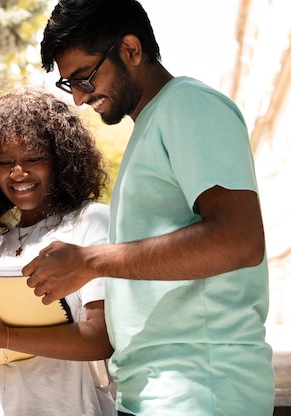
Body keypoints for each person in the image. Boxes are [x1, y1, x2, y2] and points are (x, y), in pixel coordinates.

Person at [28, 0, 275, 415]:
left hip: (200, 389)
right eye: (69, 84)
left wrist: (91, 261)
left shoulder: (190, 106)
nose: (78, 98)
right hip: (156, 390)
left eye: (84, 77)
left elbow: (239, 240)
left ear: (131, 49)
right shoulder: (153, 124)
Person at [0, 88, 116, 416]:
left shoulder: (89, 223)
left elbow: (101, 338)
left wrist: (5, 334)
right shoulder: (0, 246)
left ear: (61, 160)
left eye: (33, 158)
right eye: (4, 162)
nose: (18, 173)